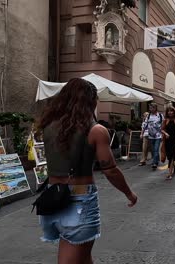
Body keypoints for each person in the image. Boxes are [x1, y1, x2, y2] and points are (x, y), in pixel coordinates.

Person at [38, 78, 137, 263]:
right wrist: (129, 193)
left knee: (82, 257)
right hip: (78, 203)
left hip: (52, 199)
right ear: (91, 102)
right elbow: (110, 170)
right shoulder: (96, 130)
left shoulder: (48, 125)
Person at [161, 106, 175, 180]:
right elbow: (162, 129)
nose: (170, 112)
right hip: (167, 140)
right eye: (169, 111)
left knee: (173, 155)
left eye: (171, 111)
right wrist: (166, 133)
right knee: (169, 155)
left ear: (174, 112)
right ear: (167, 112)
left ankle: (170, 173)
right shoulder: (165, 120)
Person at [144, 103, 164, 169]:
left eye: (152, 108)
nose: (151, 109)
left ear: (155, 108)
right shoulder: (148, 116)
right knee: (153, 150)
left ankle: (154, 163)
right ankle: (157, 160)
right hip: (150, 135)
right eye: (150, 108)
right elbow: (145, 125)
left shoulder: (160, 116)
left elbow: (163, 125)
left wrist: (163, 133)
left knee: (156, 149)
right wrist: (142, 133)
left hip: (158, 135)